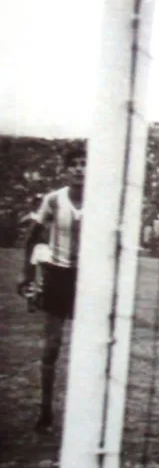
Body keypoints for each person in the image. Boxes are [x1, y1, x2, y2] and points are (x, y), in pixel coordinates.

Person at [18, 145, 86, 434]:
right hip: (59, 276)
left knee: (88, 348)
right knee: (53, 345)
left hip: (89, 278)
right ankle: (45, 411)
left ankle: (84, 413)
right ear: (66, 169)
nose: (80, 169)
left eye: (85, 164)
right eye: (75, 164)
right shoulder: (54, 200)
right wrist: (27, 274)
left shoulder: (102, 201)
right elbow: (32, 237)